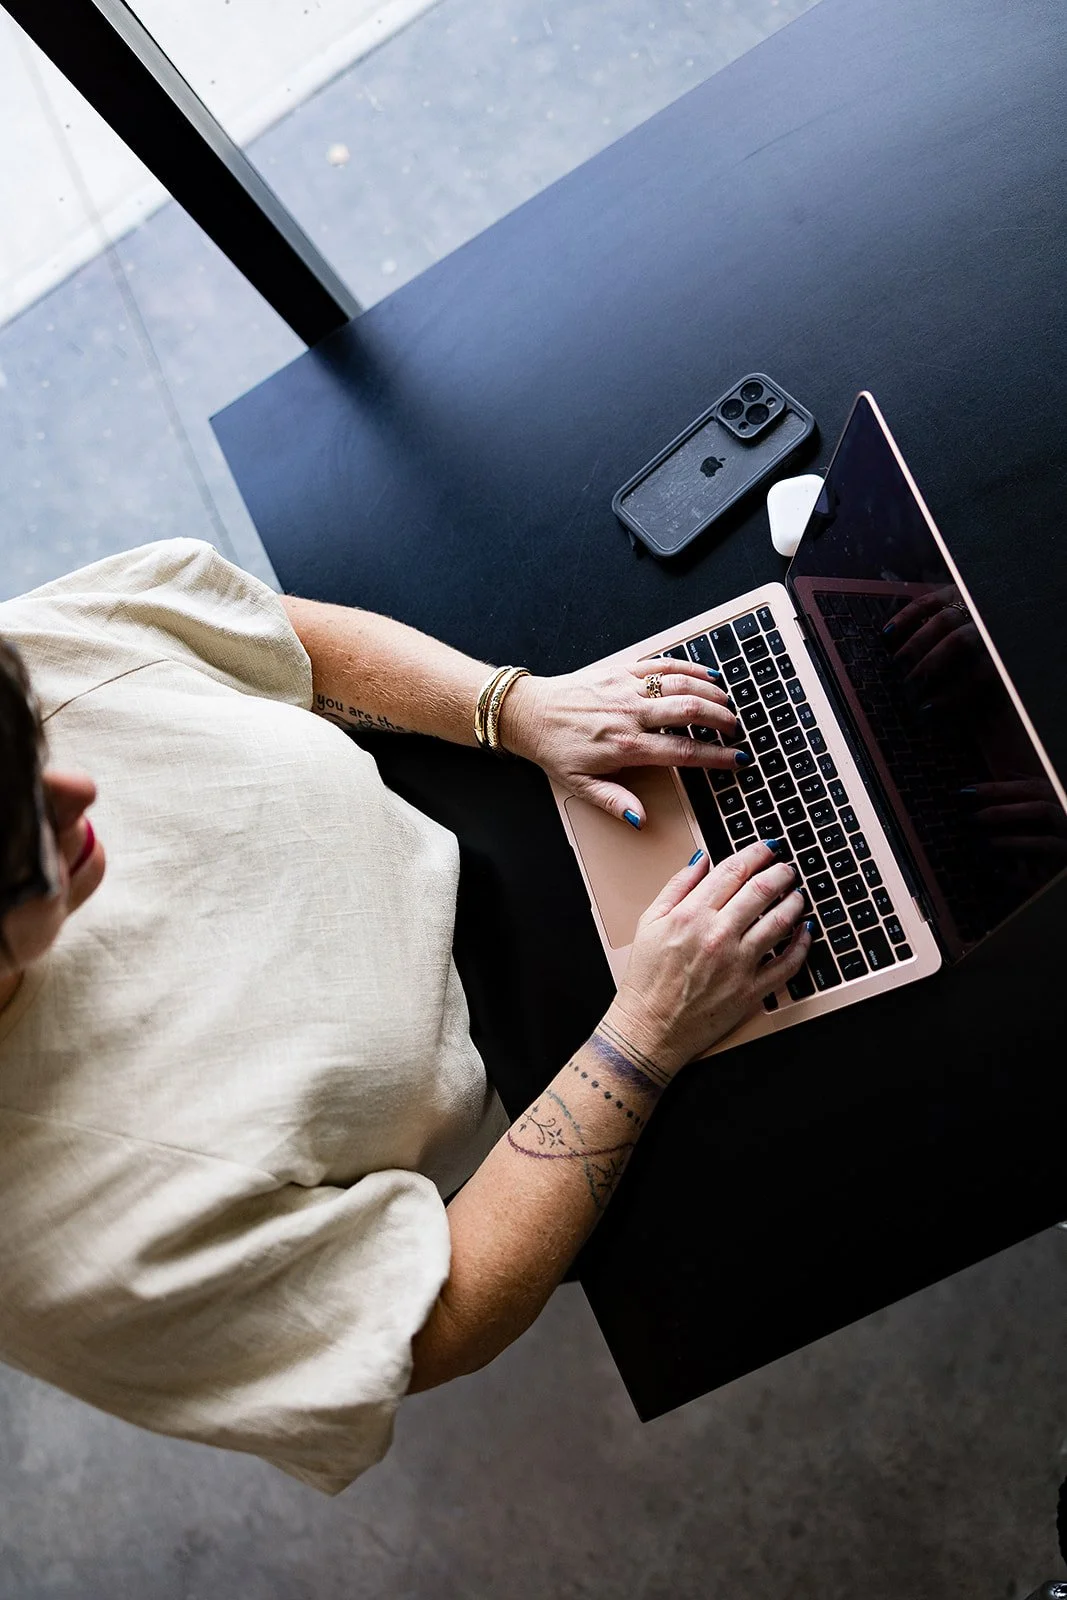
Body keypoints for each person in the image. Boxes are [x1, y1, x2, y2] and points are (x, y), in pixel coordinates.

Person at [0, 539, 812, 1494]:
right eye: (20, 839)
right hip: (549, 1084)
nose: (75, 792)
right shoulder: (71, 1263)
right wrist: (643, 1039)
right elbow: (441, 1319)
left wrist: (512, 708)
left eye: (31, 751)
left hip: (480, 789)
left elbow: (270, 641)